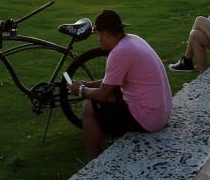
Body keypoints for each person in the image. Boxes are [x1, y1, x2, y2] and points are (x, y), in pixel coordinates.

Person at [67, 10, 171, 161]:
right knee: (110, 99)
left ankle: (93, 163)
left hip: (148, 119)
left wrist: (81, 90)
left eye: (98, 35)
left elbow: (103, 95)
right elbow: (112, 82)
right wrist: (88, 84)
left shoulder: (119, 53)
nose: (98, 40)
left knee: (90, 108)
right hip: (160, 113)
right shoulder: (133, 40)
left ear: (106, 35)